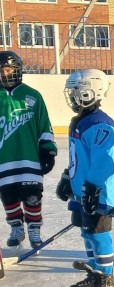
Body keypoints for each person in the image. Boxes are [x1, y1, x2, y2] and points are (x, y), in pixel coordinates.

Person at [56, 69, 114, 287]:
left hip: (98, 192)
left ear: (89, 92)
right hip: (82, 189)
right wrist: (68, 176)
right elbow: (79, 158)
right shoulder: (80, 121)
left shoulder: (100, 123)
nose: (72, 97)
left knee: (99, 233)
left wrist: (92, 188)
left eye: (76, 92)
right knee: (86, 232)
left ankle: (106, 279)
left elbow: (104, 161)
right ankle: (95, 274)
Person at [0, 50, 57, 251]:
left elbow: (44, 126)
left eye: (7, 70)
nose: (4, 74)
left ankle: (34, 229)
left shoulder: (32, 95)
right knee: (9, 197)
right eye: (0, 71)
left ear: (17, 70)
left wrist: (48, 150)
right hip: (3, 159)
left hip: (29, 158)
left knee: (32, 197)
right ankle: (16, 228)